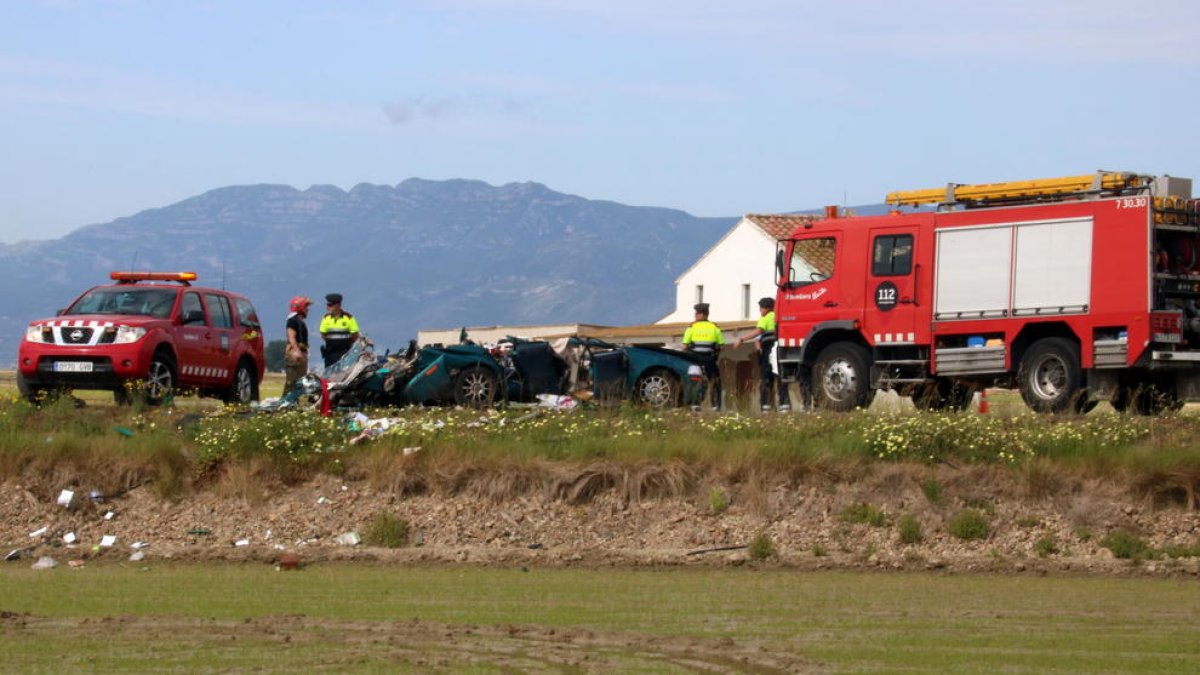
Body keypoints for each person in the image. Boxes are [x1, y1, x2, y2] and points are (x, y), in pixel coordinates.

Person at [735, 297, 791, 412]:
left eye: (760, 308)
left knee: (766, 378)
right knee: (781, 376)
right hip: (780, 350)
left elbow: (758, 332)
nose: (760, 311)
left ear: (766, 308)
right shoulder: (778, 317)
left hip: (769, 350)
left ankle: (765, 405)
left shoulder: (765, 318)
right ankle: (784, 404)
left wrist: (742, 339)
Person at [681, 302, 724, 410]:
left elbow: (685, 346)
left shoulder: (691, 327)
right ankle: (716, 406)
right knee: (715, 381)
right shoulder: (715, 327)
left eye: (696, 313)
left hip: (695, 360)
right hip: (710, 359)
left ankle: (695, 404)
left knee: (694, 381)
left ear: (701, 315)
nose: (695, 315)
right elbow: (721, 346)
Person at [319, 293, 360, 367]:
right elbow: (323, 335)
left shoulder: (349, 318)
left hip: (345, 353)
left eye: (330, 305)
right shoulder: (326, 318)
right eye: (327, 305)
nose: (327, 307)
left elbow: (355, 336)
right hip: (330, 354)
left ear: (338, 305)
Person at [282, 295, 312, 395]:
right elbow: (291, 337)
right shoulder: (292, 320)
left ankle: (295, 402)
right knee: (292, 381)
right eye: (306, 307)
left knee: (300, 381)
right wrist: (296, 351)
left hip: (302, 352)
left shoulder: (300, 321)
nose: (308, 309)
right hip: (295, 353)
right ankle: (286, 402)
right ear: (300, 307)